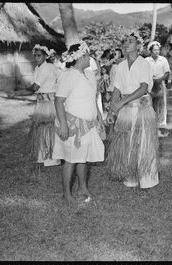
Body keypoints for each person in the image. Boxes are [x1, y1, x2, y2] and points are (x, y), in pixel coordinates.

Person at [53, 41, 105, 204]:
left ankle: (83, 187)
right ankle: (66, 193)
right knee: (71, 159)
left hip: (88, 125)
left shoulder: (89, 75)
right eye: (88, 54)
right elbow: (58, 101)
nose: (90, 57)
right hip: (73, 124)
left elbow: (93, 99)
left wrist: (100, 119)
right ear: (81, 56)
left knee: (83, 158)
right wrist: (63, 125)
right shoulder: (67, 75)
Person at [106, 31, 159, 189]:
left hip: (141, 109)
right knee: (126, 143)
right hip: (126, 110)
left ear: (138, 46)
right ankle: (130, 177)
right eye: (125, 41)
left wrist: (121, 102)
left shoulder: (144, 63)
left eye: (130, 41)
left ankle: (147, 179)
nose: (126, 43)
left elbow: (143, 89)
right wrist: (111, 111)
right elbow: (116, 90)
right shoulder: (120, 66)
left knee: (143, 143)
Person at [26, 44, 61, 171]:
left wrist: (23, 90)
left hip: (48, 103)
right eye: (35, 56)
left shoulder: (47, 68)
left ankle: (51, 157)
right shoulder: (40, 68)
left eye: (39, 55)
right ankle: (43, 156)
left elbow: (35, 87)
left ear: (46, 56)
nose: (36, 58)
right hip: (42, 102)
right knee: (42, 130)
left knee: (48, 130)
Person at [145, 41, 170, 136]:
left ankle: (161, 126)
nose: (157, 51)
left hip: (160, 84)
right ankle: (150, 126)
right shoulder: (146, 60)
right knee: (149, 104)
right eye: (155, 50)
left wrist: (160, 79)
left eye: (158, 50)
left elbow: (167, 72)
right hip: (149, 84)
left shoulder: (163, 60)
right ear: (150, 51)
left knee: (161, 104)